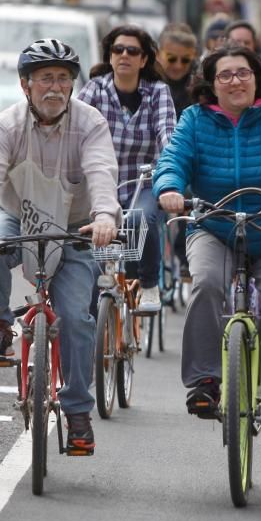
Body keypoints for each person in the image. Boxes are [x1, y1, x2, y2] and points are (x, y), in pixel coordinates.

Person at [153, 44, 261, 437]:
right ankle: (204, 382)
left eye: (243, 73)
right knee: (206, 284)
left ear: (257, 78)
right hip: (214, 226)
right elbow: (173, 160)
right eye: (225, 75)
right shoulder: (194, 121)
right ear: (210, 85)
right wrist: (169, 187)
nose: (236, 80)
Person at [0, 38, 121, 455]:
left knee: (75, 317)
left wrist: (106, 218)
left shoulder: (90, 123)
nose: (56, 87)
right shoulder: (5, 126)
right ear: (25, 85)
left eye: (64, 79)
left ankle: (78, 412)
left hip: (74, 228)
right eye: (46, 78)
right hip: (18, 217)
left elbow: (102, 172)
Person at [77, 24, 176, 313]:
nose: (124, 55)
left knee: (140, 219)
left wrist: (171, 172)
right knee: (89, 245)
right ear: (109, 55)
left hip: (142, 181)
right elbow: (73, 130)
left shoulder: (158, 92)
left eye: (133, 51)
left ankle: (148, 285)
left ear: (144, 59)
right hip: (98, 183)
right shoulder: (94, 89)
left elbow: (167, 135)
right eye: (118, 49)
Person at [156, 22, 200, 281]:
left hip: (188, 153)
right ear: (160, 54)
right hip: (154, 152)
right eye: (171, 58)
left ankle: (184, 258)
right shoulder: (150, 81)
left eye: (186, 60)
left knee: (189, 200)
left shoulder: (199, 81)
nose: (178, 66)